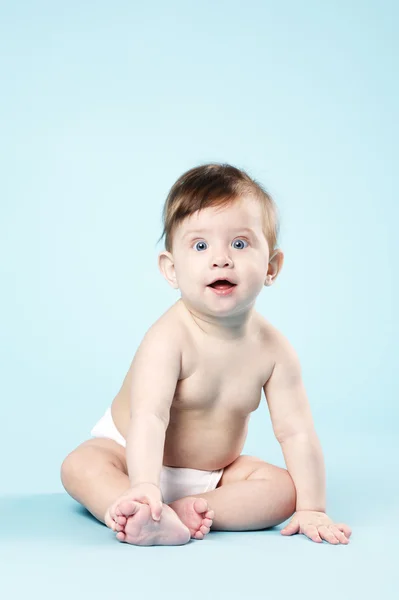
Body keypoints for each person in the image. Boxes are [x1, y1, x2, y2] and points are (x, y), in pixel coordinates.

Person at [61, 163, 352, 547]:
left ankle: (187, 510)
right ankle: (136, 506)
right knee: (81, 465)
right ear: (171, 269)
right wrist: (145, 484)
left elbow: (296, 431)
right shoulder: (168, 338)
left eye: (240, 243)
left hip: (214, 473)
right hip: (128, 453)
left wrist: (312, 506)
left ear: (272, 266)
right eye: (200, 246)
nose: (221, 259)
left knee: (283, 489)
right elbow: (149, 417)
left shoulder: (274, 351)